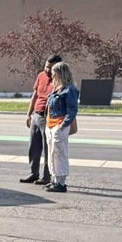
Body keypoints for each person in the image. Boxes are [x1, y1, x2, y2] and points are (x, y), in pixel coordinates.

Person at [21, 54, 62, 184]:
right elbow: (35, 95)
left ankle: (46, 176)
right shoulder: (40, 76)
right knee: (33, 146)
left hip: (49, 117)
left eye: (50, 68)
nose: (47, 70)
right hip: (36, 116)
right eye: (46, 67)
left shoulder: (60, 80)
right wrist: (29, 114)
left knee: (48, 148)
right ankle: (34, 173)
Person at [44, 61, 79, 193]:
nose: (52, 76)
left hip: (59, 125)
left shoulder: (69, 89)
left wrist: (63, 125)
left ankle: (61, 182)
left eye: (54, 74)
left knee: (60, 154)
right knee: (51, 153)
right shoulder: (56, 89)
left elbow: (72, 109)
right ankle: (54, 179)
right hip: (50, 125)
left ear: (60, 74)